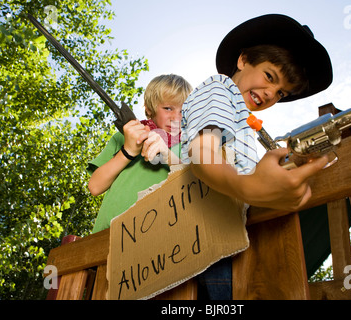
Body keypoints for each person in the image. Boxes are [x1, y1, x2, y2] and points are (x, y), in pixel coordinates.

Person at [179, 14, 333, 299]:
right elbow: (203, 152)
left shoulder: (242, 120)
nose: (271, 94)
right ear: (243, 60)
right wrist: (249, 187)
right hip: (208, 235)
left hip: (229, 233)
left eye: (281, 92)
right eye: (269, 77)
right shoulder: (220, 90)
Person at [87, 74, 192, 233]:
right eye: (168, 108)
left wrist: (166, 154)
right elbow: (94, 187)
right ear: (150, 110)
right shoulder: (124, 137)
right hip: (105, 234)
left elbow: (196, 183)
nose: (176, 117)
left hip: (156, 236)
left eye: (183, 110)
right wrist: (128, 151)